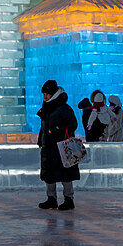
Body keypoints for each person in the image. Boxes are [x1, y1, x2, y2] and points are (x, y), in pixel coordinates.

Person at [36, 80, 79, 211]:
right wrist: (40, 139)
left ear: (53, 94)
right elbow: (43, 127)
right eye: (44, 94)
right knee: (49, 173)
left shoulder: (63, 108)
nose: (45, 97)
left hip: (61, 146)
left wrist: (56, 130)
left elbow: (72, 125)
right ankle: (51, 199)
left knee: (65, 173)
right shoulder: (47, 108)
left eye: (47, 94)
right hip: (49, 146)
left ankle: (68, 199)